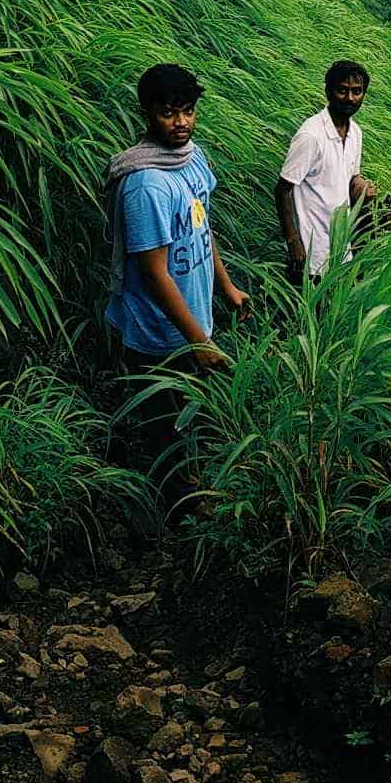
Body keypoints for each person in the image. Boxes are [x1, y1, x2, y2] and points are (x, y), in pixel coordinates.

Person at [105, 63, 249, 509]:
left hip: (192, 325)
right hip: (159, 337)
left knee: (190, 419)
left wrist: (226, 287)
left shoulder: (192, 159)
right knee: (167, 431)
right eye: (169, 113)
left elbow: (203, 228)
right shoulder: (146, 184)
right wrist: (197, 342)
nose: (181, 122)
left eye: (187, 111)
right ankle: (178, 519)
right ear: (148, 113)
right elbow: (154, 273)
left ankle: (192, 491)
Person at [275, 60, 378, 282]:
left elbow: (350, 178)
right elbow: (283, 189)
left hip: (339, 248)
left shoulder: (355, 133)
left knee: (334, 314)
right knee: (305, 314)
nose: (350, 98)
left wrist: (361, 187)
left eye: (357, 92)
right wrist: (294, 242)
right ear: (328, 92)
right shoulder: (311, 136)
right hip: (309, 254)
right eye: (342, 90)